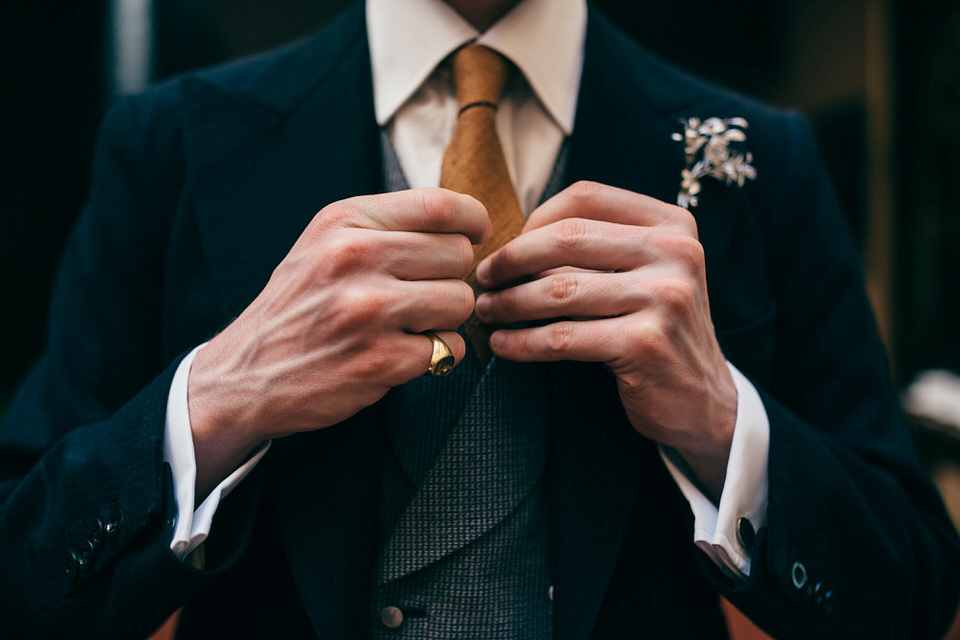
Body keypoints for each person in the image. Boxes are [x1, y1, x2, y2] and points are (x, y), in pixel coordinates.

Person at [1, 0, 958, 637]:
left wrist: (720, 420)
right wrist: (218, 400)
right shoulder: (169, 140)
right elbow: (22, 573)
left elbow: (908, 596)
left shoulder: (767, 160)